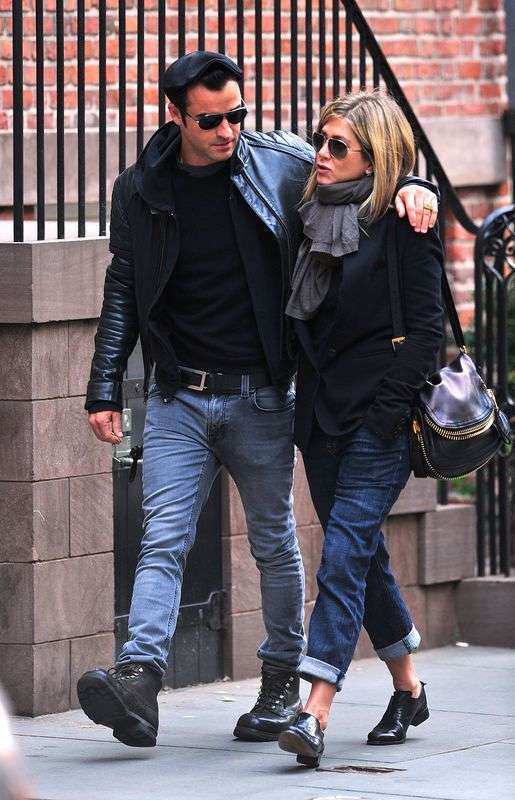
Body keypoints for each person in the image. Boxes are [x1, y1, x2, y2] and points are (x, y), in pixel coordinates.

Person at [77, 51, 440, 749]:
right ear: (175, 116)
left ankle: (292, 693)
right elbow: (123, 286)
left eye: (238, 114)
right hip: (183, 393)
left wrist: (417, 184)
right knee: (165, 538)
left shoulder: (275, 162)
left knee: (287, 546)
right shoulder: (141, 189)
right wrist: (103, 386)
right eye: (211, 120)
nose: (228, 130)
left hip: (270, 397)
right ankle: (140, 678)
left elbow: (367, 164)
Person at [277, 91, 444, 768]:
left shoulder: (404, 219)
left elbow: (427, 330)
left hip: (379, 420)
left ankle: (313, 709)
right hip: (319, 418)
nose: (319, 153)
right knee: (363, 556)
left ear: (375, 160)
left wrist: (383, 417)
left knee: (342, 555)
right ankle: (408, 688)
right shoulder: (311, 211)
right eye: (319, 139)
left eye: (337, 146)